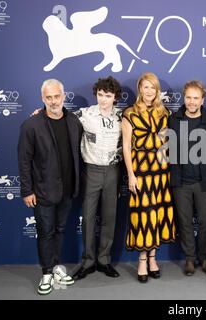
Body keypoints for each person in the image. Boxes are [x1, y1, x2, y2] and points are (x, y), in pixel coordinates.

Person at [18, 79, 82, 295]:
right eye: (49, 97)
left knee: (60, 230)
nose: (53, 101)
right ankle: (46, 273)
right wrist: (26, 190)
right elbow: (24, 160)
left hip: (67, 189)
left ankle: (56, 267)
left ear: (64, 96)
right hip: (43, 190)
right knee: (45, 232)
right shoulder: (31, 125)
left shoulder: (74, 121)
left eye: (57, 96)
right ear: (42, 99)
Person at [122, 72, 175, 283]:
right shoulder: (130, 113)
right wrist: (130, 175)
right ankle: (142, 260)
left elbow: (167, 144)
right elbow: (126, 146)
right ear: (139, 89)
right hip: (140, 172)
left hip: (161, 172)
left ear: (157, 90)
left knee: (156, 215)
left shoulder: (164, 113)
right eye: (145, 87)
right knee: (143, 215)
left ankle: (153, 258)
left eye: (153, 87)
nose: (149, 91)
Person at [72, 76, 122, 280]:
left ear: (115, 97)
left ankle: (104, 260)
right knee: (89, 217)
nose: (103, 99)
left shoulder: (123, 116)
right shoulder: (84, 114)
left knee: (109, 218)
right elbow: (58, 118)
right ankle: (88, 261)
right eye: (100, 95)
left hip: (113, 171)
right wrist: (41, 113)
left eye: (107, 96)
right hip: (91, 171)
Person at [168, 80, 206, 276]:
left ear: (202, 100)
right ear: (183, 98)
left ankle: (203, 258)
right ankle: (189, 258)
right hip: (181, 182)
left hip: (204, 182)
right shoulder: (173, 120)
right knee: (185, 222)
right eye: (188, 97)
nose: (192, 102)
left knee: (205, 222)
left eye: (196, 98)